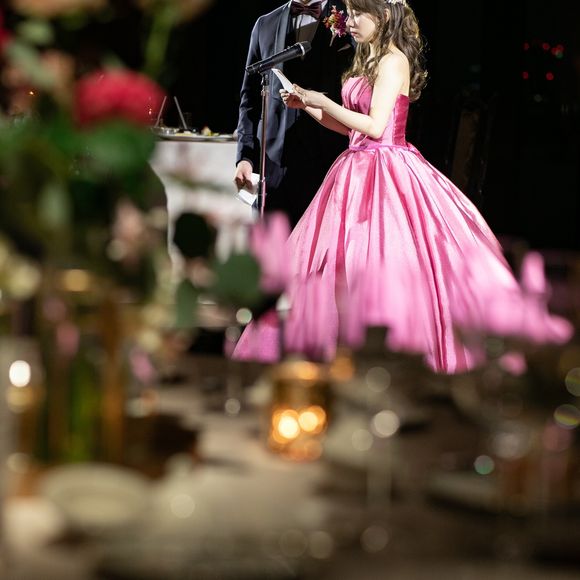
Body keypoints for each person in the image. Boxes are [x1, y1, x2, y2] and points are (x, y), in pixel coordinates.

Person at [232, 0, 574, 374]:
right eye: (350, 12)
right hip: (354, 165)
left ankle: (391, 355)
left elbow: (376, 127)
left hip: (387, 169)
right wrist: (308, 106)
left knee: (383, 256)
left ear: (382, 15)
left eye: (358, 13)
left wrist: (323, 99)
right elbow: (351, 129)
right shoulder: (366, 58)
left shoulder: (394, 60)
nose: (349, 21)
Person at [234, 0, 355, 227]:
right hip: (273, 166)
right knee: (271, 245)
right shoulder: (265, 24)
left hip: (328, 161)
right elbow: (249, 100)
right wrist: (245, 157)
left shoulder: (352, 21)